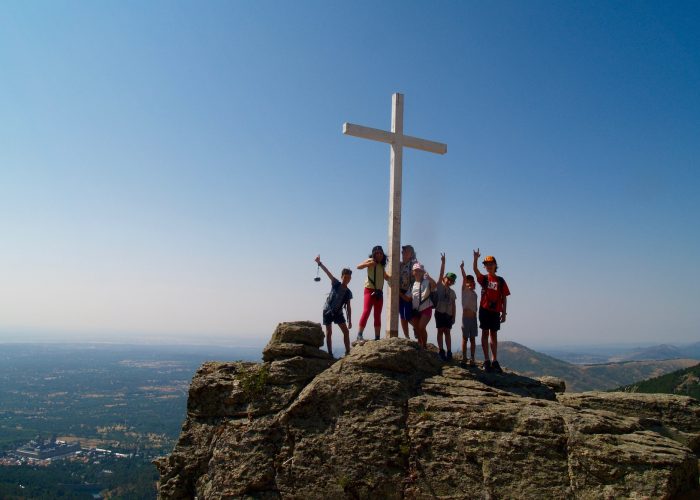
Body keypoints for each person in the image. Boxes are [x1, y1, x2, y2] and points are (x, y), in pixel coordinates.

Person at [472, 249, 511, 373]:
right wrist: (475, 259)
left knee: (493, 335)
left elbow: (504, 297)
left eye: (490, 264)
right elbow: (475, 270)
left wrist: (504, 313)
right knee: (485, 333)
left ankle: (494, 360)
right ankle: (486, 360)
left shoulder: (500, 280)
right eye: (486, 264)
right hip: (484, 310)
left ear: (495, 265)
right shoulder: (484, 278)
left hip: (495, 311)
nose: (488, 266)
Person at [315, 255, 353, 357]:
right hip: (327, 310)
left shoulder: (348, 292)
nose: (347, 279)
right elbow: (328, 272)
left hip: (338, 312)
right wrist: (319, 263)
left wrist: (350, 320)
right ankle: (330, 353)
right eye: (345, 277)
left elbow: (348, 307)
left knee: (346, 331)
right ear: (342, 277)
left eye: (348, 278)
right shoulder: (336, 283)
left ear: (350, 279)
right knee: (329, 331)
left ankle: (348, 352)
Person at [356, 245, 390, 341]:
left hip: (379, 292)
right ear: (374, 254)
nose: (379, 255)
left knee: (377, 314)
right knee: (366, 311)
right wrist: (368, 264)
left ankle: (377, 337)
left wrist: (393, 278)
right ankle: (359, 335)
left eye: (380, 253)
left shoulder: (382, 265)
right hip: (369, 290)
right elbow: (358, 266)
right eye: (377, 253)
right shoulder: (370, 260)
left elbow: (386, 277)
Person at [434, 253, 457, 361]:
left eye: (452, 281)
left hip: (448, 313)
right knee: (440, 331)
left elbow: (454, 305)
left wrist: (454, 316)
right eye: (448, 279)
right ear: (444, 278)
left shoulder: (452, 292)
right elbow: (440, 273)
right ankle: (441, 350)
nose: (450, 282)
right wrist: (443, 262)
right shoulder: (439, 286)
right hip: (439, 311)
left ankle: (449, 352)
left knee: (447, 332)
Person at [411, 262, 436, 349]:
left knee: (421, 327)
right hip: (416, 310)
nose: (418, 273)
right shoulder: (412, 284)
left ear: (423, 272)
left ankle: (424, 345)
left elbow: (434, 286)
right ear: (413, 272)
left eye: (420, 271)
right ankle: (420, 344)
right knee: (417, 329)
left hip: (426, 308)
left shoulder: (427, 281)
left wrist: (429, 278)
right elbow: (409, 297)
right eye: (416, 271)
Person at [459, 261, 479, 367]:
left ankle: (472, 358)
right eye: (469, 283)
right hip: (466, 319)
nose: (471, 284)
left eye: (473, 283)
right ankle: (463, 357)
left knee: (472, 339)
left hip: (474, 319)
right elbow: (464, 277)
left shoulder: (475, 294)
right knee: (465, 338)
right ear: (466, 284)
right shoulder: (464, 291)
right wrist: (462, 268)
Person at [399, 245, 418, 339]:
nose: (403, 253)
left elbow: (417, 279)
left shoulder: (414, 264)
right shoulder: (400, 265)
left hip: (409, 292)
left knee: (408, 315)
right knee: (402, 315)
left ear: (411, 254)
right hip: (399, 291)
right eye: (403, 252)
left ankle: (417, 328)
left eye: (406, 252)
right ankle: (407, 337)